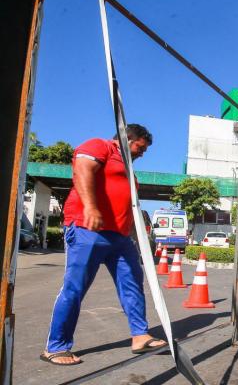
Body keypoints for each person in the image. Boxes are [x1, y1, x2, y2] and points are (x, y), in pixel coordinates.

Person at [41, 124, 166, 366]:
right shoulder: (101, 146)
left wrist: (133, 231)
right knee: (75, 288)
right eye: (140, 147)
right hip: (87, 228)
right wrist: (90, 206)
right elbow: (82, 168)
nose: (142, 153)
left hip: (119, 237)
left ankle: (140, 336)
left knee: (133, 283)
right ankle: (56, 347)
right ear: (126, 138)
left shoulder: (128, 169)